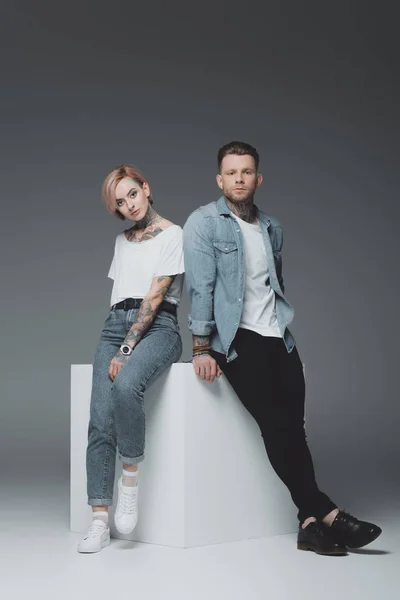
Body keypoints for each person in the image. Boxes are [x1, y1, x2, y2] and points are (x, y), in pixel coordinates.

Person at [182, 141, 382, 556]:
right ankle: (328, 514)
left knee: (295, 431)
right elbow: (200, 287)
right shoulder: (203, 223)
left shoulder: (272, 227)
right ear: (220, 179)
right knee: (276, 427)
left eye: (246, 171)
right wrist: (201, 347)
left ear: (258, 178)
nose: (239, 178)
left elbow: (274, 287)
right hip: (235, 340)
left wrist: (281, 332)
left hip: (279, 337)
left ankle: (309, 525)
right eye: (231, 172)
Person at [78, 165, 184, 553]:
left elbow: (154, 299)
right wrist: (117, 340)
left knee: (125, 386)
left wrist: (126, 351)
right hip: (114, 325)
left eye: (132, 195)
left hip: (159, 328)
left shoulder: (174, 235)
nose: (129, 205)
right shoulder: (122, 241)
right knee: (99, 420)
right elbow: (120, 296)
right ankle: (99, 520)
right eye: (120, 203)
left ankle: (130, 480)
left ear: (146, 188)